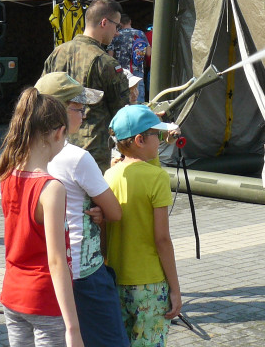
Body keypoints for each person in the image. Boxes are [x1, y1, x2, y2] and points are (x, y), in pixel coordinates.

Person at [38, 73, 128, 347]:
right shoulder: (77, 157)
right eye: (79, 107)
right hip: (84, 272)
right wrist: (97, 206)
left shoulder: (26, 153)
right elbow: (115, 212)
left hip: (50, 273)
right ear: (60, 111)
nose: (85, 114)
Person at [0, 87, 83, 347]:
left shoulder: (7, 175)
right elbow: (56, 261)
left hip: (13, 293)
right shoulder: (51, 188)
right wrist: (73, 327)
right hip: (44, 300)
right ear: (58, 133)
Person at [104, 105, 182, 347]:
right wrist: (175, 289)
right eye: (156, 136)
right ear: (140, 139)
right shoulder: (157, 178)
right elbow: (162, 239)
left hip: (117, 279)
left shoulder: (109, 175)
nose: (161, 141)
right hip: (150, 283)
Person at [43, 0, 130, 171]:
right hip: (92, 151)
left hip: (56, 146)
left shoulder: (57, 53)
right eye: (117, 26)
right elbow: (122, 112)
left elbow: (42, 97)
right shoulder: (105, 62)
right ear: (104, 22)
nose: (118, 33)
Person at [108, 15, 151, 103]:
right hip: (138, 70)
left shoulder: (115, 35)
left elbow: (110, 57)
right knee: (138, 98)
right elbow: (148, 53)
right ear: (130, 21)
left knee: (122, 98)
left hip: (120, 72)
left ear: (119, 24)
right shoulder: (140, 34)